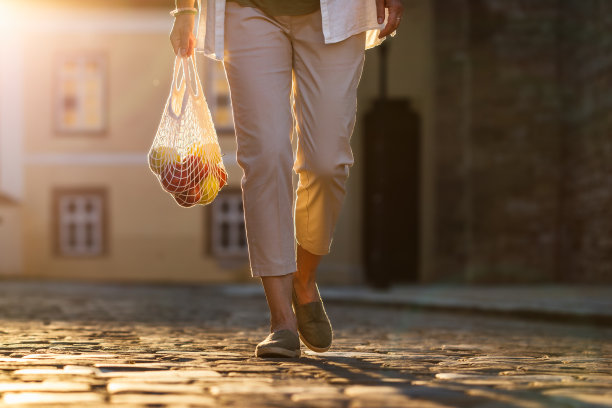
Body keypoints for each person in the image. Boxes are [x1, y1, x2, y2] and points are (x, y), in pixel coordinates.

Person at [170, 0, 403, 358]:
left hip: (336, 13)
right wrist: (185, 10)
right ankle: (281, 322)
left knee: (328, 162)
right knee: (265, 155)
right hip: (247, 10)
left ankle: (304, 279)